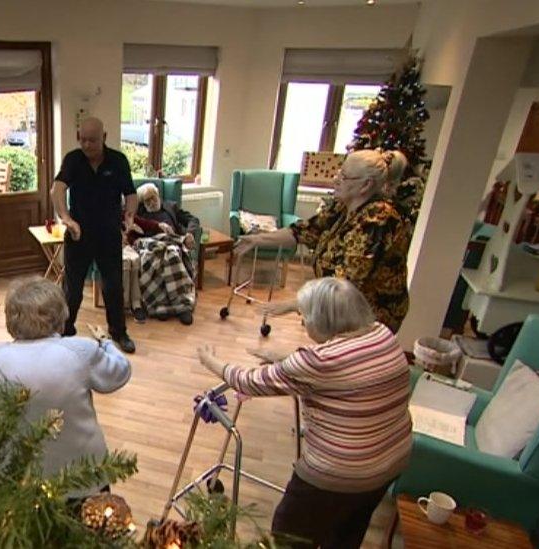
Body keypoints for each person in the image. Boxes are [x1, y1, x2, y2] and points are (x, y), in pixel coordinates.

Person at [197, 277, 412, 549]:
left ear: (323, 321)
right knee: (347, 531)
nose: (303, 323)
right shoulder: (383, 334)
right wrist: (286, 360)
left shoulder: (316, 361)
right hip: (391, 462)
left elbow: (248, 381)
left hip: (339, 472)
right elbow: (343, 369)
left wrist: (210, 360)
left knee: (289, 536)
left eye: (304, 317)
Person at [234, 149, 411, 332]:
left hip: (370, 317)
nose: (335, 179)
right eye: (339, 173)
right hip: (341, 307)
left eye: (344, 177)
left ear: (366, 185)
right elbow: (303, 231)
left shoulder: (378, 221)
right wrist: (257, 239)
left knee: (343, 357)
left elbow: (346, 283)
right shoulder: (343, 207)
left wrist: (295, 304)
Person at [0, 277, 130, 490]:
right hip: (83, 475)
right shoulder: (81, 351)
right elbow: (119, 372)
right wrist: (105, 342)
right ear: (59, 315)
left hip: (16, 478)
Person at [51, 117, 138, 353]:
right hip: (79, 235)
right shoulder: (73, 159)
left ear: (105, 138)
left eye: (93, 140)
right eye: (83, 139)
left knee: (113, 286)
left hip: (109, 234)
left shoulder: (118, 161)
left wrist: (129, 216)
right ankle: (64, 331)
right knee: (72, 288)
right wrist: (67, 219)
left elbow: (130, 193)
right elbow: (57, 189)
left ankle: (119, 332)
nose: (87, 145)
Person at [127, 183, 200, 324]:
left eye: (153, 198)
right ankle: (168, 305)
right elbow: (133, 232)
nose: (151, 203)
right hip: (150, 246)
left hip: (173, 242)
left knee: (171, 252)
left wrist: (190, 233)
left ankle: (176, 306)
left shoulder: (171, 207)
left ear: (158, 196)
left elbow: (193, 220)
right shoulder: (140, 213)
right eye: (147, 200)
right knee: (160, 257)